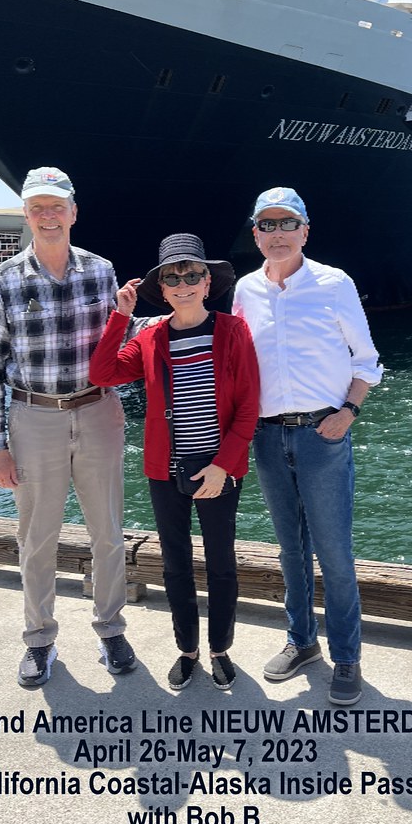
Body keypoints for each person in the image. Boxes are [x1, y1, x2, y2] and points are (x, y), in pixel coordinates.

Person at [0, 166, 141, 687]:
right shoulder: (3, 281)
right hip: (34, 417)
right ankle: (39, 637)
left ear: (73, 212)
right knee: (36, 537)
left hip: (98, 411)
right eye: (37, 208)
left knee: (108, 532)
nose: (47, 216)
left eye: (56, 207)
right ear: (26, 215)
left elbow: (122, 344)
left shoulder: (101, 271)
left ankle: (111, 628)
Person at [233, 186, 383, 706]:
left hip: (323, 433)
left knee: (334, 552)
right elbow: (238, 361)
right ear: (256, 234)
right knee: (290, 550)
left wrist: (349, 413)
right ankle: (301, 641)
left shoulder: (334, 283)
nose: (277, 234)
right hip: (267, 434)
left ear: (305, 231)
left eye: (287, 224)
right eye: (267, 225)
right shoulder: (246, 290)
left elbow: (366, 359)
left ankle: (347, 656)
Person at [89, 234, 259, 691]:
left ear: (208, 283)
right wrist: (120, 316)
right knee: (175, 564)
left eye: (192, 275)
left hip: (219, 468)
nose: (183, 284)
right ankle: (188, 650)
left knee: (221, 562)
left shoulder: (233, 331)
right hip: (166, 470)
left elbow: (248, 406)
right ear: (161, 290)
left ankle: (220, 649)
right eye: (172, 278)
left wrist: (224, 466)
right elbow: (102, 373)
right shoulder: (149, 338)